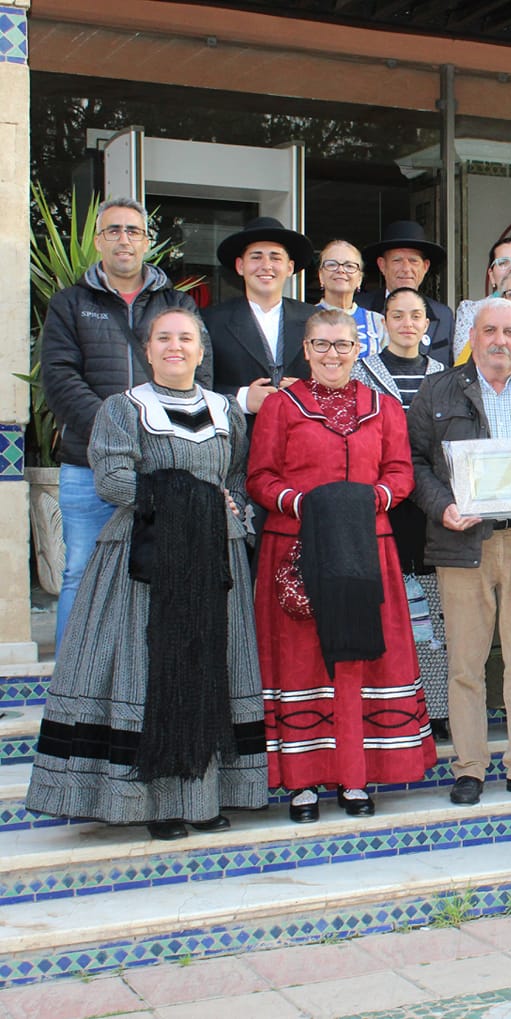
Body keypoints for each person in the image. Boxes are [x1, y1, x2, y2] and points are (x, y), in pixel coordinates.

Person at [26, 309, 265, 840]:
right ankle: (155, 800)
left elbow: (236, 477)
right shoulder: (124, 407)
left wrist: (228, 508)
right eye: (164, 338)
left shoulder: (228, 411)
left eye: (186, 338)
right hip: (148, 558)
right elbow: (112, 479)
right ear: (148, 350)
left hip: (214, 556)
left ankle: (206, 796)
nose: (175, 346)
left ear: (202, 352)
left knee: (211, 666)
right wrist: (197, 499)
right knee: (152, 667)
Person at [247, 309, 436, 822]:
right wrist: (304, 504)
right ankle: (302, 785)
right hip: (296, 546)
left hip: (366, 546)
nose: (333, 355)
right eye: (322, 345)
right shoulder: (281, 407)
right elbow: (259, 477)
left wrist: (370, 499)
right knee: (302, 662)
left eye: (343, 345)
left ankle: (356, 777)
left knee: (359, 661)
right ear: (305, 350)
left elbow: (401, 473)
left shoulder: (384, 407)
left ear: (359, 350)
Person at [407, 297, 511, 804]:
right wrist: (442, 508)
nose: (500, 340)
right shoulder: (437, 391)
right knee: (465, 660)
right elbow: (414, 463)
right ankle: (469, 768)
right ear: (472, 338)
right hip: (463, 541)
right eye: (490, 331)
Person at [41, 197, 209, 651]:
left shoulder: (176, 303)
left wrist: (167, 442)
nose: (123, 239)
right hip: (88, 468)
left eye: (133, 231)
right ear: (98, 241)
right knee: (81, 570)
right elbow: (59, 376)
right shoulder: (70, 304)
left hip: (167, 469)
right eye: (113, 230)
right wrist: (116, 433)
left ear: (147, 242)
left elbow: (201, 374)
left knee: (164, 573)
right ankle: (69, 697)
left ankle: (139, 688)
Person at [351, 287, 450, 734]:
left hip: (432, 504)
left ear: (428, 325)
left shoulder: (447, 375)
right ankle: (385, 701)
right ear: (384, 322)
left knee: (434, 607)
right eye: (398, 315)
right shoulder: (360, 372)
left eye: (417, 315)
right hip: (380, 503)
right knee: (387, 602)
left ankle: (436, 708)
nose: (408, 323)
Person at [202, 217, 314, 422]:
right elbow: (195, 386)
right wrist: (242, 398)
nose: (266, 266)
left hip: (303, 439)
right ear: (240, 266)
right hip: (239, 441)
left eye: (275, 257)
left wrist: (309, 392)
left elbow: (336, 379)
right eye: (256, 257)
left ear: (290, 268)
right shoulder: (211, 321)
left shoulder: (314, 319)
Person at [356, 220, 455, 365]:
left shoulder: (443, 315)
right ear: (382, 265)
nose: (406, 268)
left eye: (413, 261)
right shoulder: (359, 309)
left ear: (425, 267)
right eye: (397, 260)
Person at [315, 240, 386, 358]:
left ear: (359, 279)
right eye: (332, 265)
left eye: (350, 266)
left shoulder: (378, 323)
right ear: (321, 276)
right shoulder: (305, 319)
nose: (341, 270)